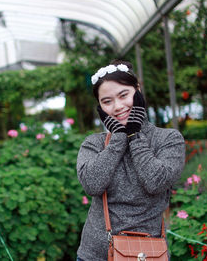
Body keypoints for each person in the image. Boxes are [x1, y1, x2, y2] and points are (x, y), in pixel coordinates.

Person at [76, 60, 185, 261]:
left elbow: (155, 182)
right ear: (100, 107)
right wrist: (118, 137)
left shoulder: (168, 139)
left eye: (123, 95)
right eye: (107, 101)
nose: (117, 106)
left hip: (148, 254)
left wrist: (134, 136)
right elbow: (92, 184)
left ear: (138, 91)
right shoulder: (93, 143)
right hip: (95, 255)